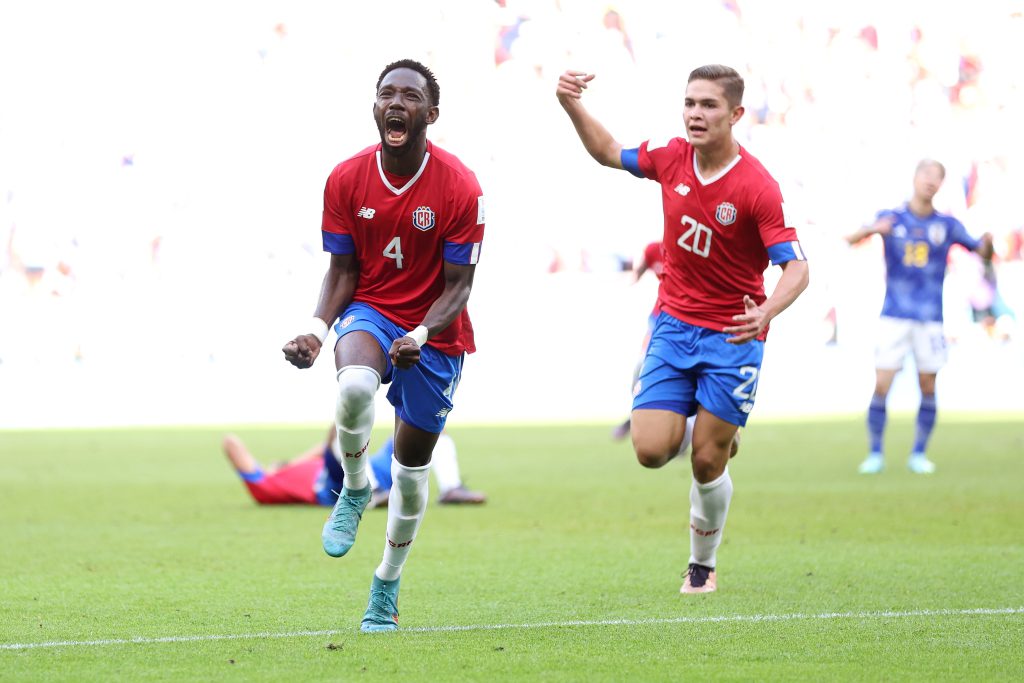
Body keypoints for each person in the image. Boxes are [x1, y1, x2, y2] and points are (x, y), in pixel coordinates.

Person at [556, 64, 809, 594]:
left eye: (709, 105)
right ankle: (713, 423)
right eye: (690, 102)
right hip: (673, 326)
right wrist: (572, 105)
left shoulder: (757, 186)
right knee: (649, 451)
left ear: (735, 114)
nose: (696, 113)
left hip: (733, 336)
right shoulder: (670, 155)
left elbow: (798, 269)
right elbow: (609, 152)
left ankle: (702, 564)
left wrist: (766, 313)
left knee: (706, 459)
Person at [282, 59, 485, 633]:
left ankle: (387, 583)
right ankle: (352, 486)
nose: (396, 103)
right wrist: (318, 332)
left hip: (436, 333)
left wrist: (420, 336)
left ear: (431, 113)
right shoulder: (346, 178)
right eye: (386, 94)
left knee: (413, 468)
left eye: (410, 96)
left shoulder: (461, 186)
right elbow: (342, 271)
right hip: (371, 310)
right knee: (352, 386)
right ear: (375, 108)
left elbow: (459, 288)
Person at [846, 159, 993, 475]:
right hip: (894, 315)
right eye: (926, 174)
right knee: (882, 383)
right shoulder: (892, 218)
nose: (931, 181)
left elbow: (981, 251)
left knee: (927, 384)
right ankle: (875, 453)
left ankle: (919, 454)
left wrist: (989, 244)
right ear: (915, 178)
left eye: (937, 177)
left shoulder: (947, 224)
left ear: (941, 185)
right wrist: (873, 229)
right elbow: (850, 238)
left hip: (930, 318)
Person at [221, 425, 486, 507]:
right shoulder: (264, 486)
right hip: (336, 484)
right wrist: (268, 470)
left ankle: (450, 489)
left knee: (429, 429)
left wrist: (288, 463)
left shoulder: (287, 469)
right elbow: (230, 442)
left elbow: (322, 451)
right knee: (339, 428)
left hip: (367, 466)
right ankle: (367, 492)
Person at [612, 240, 665, 440]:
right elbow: (636, 274)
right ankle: (635, 413)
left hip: (686, 322)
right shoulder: (654, 250)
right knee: (640, 367)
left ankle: (685, 429)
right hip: (658, 320)